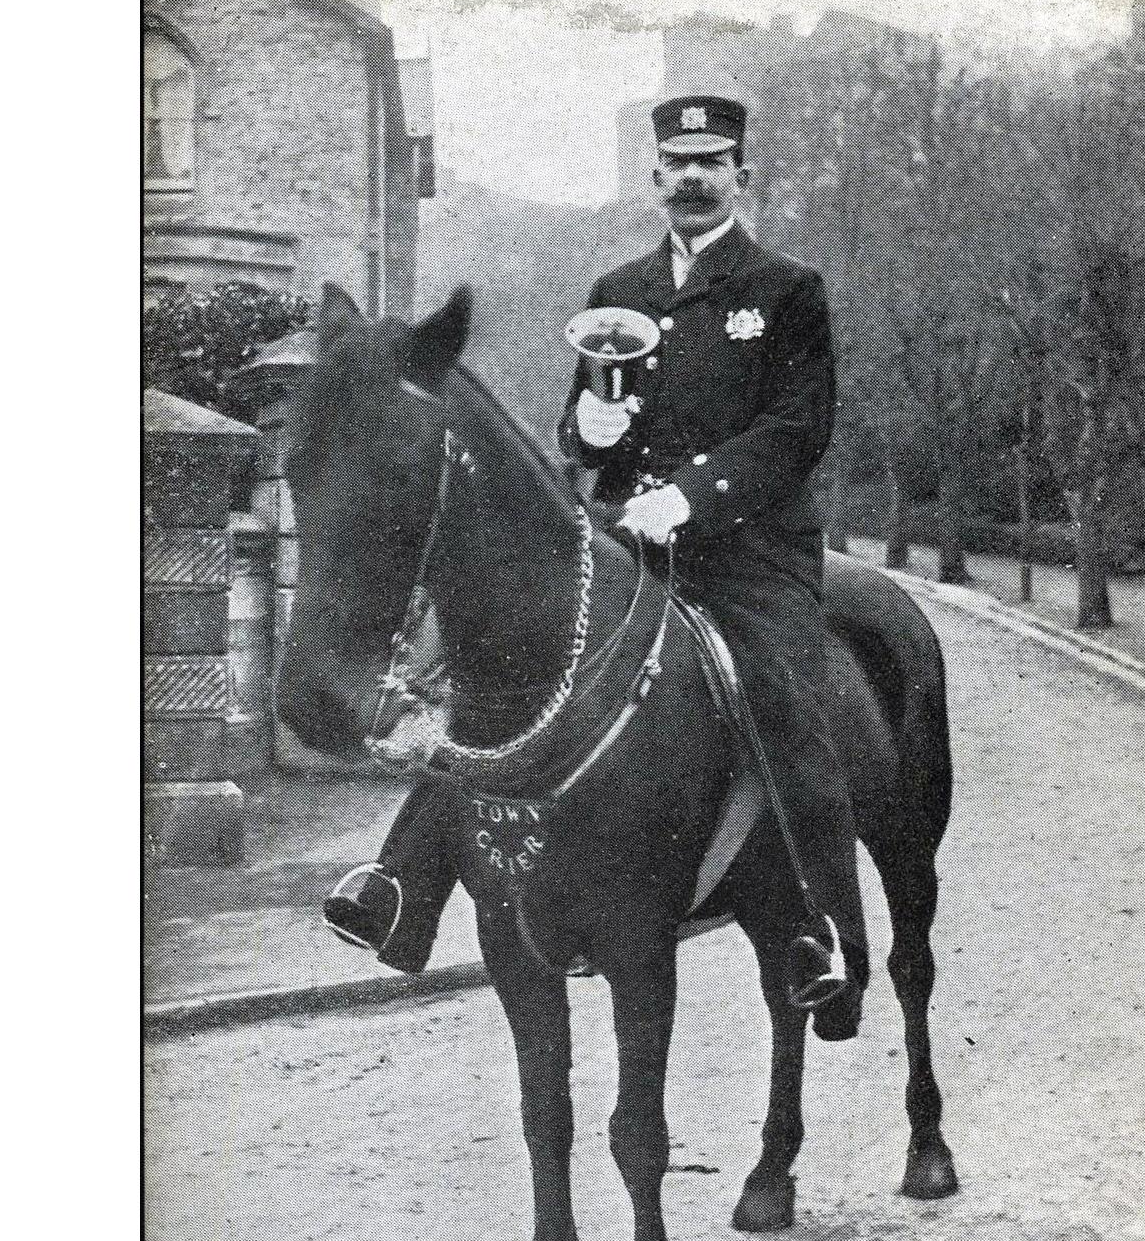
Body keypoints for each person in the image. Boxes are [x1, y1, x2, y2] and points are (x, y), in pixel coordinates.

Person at [324, 94, 868, 1016]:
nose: (694, 178)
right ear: (654, 179)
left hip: (747, 556)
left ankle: (819, 927)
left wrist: (691, 498)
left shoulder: (785, 289)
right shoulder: (618, 291)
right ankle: (401, 883)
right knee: (493, 663)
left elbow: (795, 429)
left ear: (741, 176)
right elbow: (581, 436)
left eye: (714, 161)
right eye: (677, 164)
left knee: (781, 693)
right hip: (628, 542)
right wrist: (591, 426)